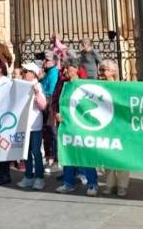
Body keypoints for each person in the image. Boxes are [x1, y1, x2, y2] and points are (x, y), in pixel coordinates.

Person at [55, 58, 99, 196]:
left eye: (67, 68)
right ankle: (68, 183)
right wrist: (56, 112)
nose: (65, 71)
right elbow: (57, 101)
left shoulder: (85, 84)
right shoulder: (63, 85)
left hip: (82, 124)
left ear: (75, 69)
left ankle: (92, 184)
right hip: (67, 124)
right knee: (67, 153)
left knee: (85, 154)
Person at [98, 60, 131, 197]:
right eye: (100, 70)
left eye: (104, 70)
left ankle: (122, 185)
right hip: (106, 126)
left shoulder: (121, 86)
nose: (101, 73)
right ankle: (109, 184)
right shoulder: (99, 87)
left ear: (113, 71)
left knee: (122, 157)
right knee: (108, 155)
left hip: (120, 126)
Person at [16, 62, 48, 191]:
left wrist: (37, 95)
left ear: (33, 74)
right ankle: (28, 176)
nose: (24, 73)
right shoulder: (22, 85)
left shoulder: (37, 86)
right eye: (24, 71)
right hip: (24, 124)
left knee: (36, 151)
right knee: (26, 152)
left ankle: (39, 177)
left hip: (35, 125)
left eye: (26, 71)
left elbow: (43, 105)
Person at [40, 52, 60, 167]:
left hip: (50, 104)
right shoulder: (48, 73)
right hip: (45, 103)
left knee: (52, 132)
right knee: (48, 132)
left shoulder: (53, 73)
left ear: (54, 62)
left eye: (47, 60)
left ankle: (55, 156)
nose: (44, 62)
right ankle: (50, 155)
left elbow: (51, 90)